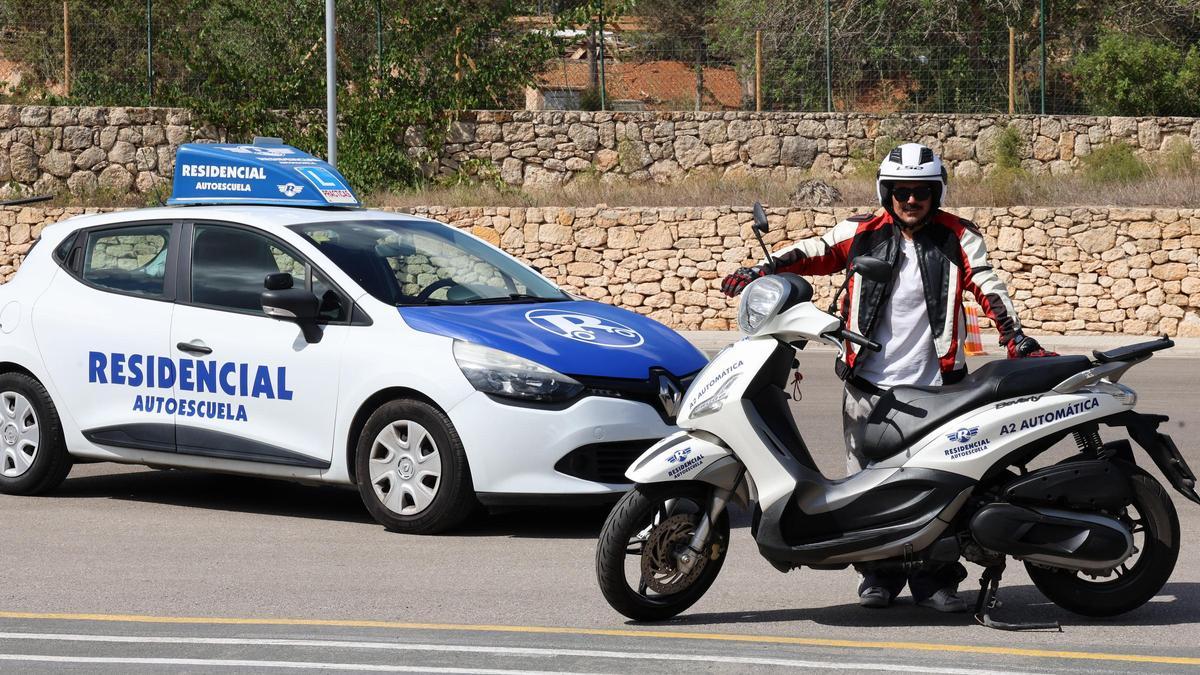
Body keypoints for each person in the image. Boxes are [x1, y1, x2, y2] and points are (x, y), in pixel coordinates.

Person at [720, 142, 1053, 612]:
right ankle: (877, 576)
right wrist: (761, 269)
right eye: (901, 190)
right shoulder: (861, 232)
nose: (910, 199)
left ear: (936, 193)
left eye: (921, 191)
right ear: (886, 191)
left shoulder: (959, 236)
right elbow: (811, 252)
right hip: (867, 386)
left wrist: (1016, 338)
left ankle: (936, 581)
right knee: (866, 489)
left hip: (938, 389)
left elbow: (988, 284)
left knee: (942, 486)